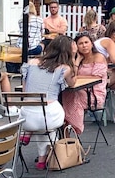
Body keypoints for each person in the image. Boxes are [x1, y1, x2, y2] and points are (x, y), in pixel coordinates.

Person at [19, 36, 77, 169]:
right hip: (49, 115)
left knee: (41, 124)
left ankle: (28, 135)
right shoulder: (64, 68)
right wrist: (73, 59)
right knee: (47, 124)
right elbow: (72, 84)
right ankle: (44, 160)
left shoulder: (31, 62)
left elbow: (25, 89)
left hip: (26, 116)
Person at [63, 33, 108, 133]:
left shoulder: (99, 57)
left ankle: (74, 127)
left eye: (86, 42)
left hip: (94, 92)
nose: (84, 46)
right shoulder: (78, 59)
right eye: (80, 44)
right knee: (63, 96)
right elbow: (71, 74)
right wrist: (77, 60)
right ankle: (66, 133)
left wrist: (77, 77)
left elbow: (97, 77)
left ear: (92, 44)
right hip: (79, 89)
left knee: (70, 99)